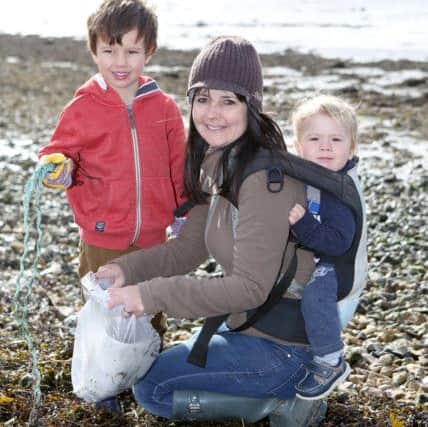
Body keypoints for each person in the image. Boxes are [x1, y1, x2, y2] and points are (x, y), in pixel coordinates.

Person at [95, 35, 331, 425]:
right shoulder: (220, 165)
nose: (212, 113)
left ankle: (285, 405)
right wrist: (128, 270)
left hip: (286, 349)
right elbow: (188, 248)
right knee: (150, 371)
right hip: (246, 324)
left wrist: (150, 295)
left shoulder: (265, 181)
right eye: (202, 99)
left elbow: (248, 288)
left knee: (150, 389)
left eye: (228, 100)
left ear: (250, 106)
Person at [37, 0, 186, 411]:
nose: (121, 62)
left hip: (156, 237)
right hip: (103, 236)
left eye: (133, 51)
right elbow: (57, 153)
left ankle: (146, 378)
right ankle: (104, 388)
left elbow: (180, 168)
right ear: (94, 51)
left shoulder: (165, 109)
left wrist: (186, 211)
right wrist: (59, 169)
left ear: (149, 52)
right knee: (106, 315)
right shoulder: (83, 108)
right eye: (110, 50)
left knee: (151, 312)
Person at [288, 95, 362, 399]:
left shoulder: (338, 188)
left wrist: (303, 224)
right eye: (315, 138)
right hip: (313, 253)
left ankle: (330, 360)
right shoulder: (309, 175)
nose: (325, 146)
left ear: (352, 147)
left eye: (335, 139)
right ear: (298, 147)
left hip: (336, 264)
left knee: (317, 292)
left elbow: (337, 241)